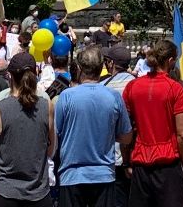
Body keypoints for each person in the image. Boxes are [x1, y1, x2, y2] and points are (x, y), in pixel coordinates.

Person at [54, 44, 134, 207]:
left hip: (72, 176)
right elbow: (127, 138)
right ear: (102, 66)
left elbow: (56, 134)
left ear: (80, 68)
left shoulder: (66, 96)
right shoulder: (113, 97)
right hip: (104, 175)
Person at [126, 38, 183, 207]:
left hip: (141, 162)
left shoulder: (133, 86)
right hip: (168, 164)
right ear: (171, 61)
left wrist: (127, 160)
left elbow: (126, 129)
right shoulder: (175, 88)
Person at [0, 51, 54, 207]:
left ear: (10, 75)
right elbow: (50, 150)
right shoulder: (47, 106)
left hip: (4, 192)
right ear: (35, 73)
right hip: (38, 193)